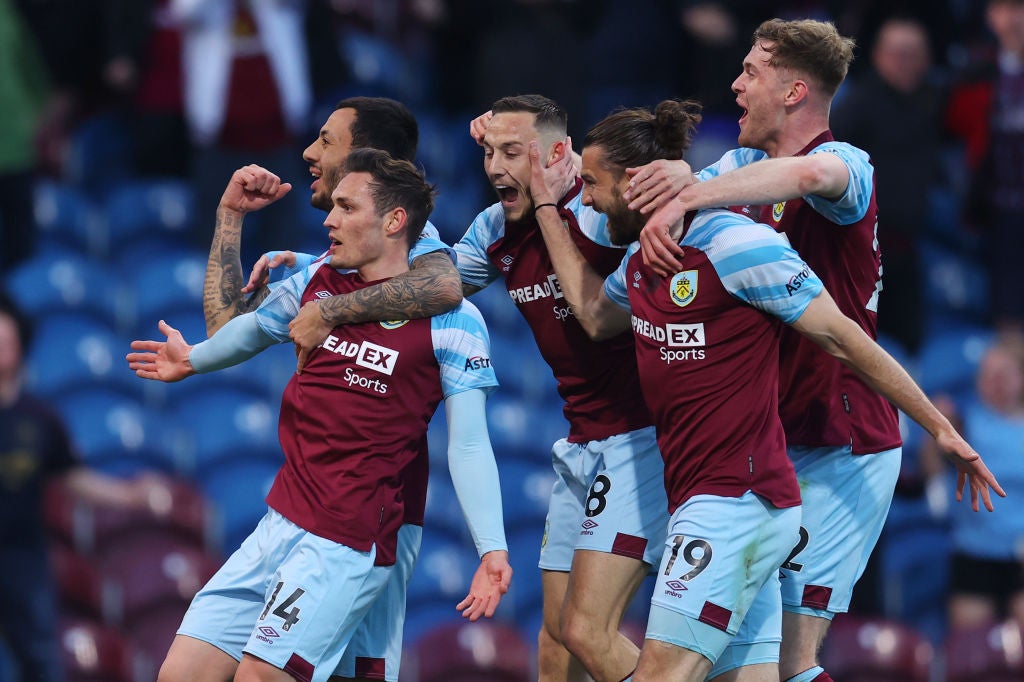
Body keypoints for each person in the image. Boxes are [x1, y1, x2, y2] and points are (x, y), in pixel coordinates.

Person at [525, 98, 1004, 682]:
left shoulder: (740, 244)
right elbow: (596, 317)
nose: (590, 203)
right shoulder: (640, 262)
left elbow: (845, 338)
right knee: (775, 675)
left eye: (595, 187)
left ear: (634, 184)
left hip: (736, 500)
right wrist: (547, 206)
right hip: (712, 498)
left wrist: (940, 428)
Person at [254, 94, 668, 682]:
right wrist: (325, 271)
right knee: (555, 645)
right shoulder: (494, 229)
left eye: (512, 153)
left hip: (641, 436)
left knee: (586, 632)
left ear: (558, 155)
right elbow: (428, 283)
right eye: (489, 152)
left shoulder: (603, 210)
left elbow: (604, 310)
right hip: (583, 442)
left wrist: (560, 184)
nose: (497, 167)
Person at [126, 148, 512, 682]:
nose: (328, 219)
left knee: (260, 677)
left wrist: (492, 549)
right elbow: (253, 328)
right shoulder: (318, 281)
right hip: (279, 521)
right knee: (180, 674)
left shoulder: (455, 322)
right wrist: (194, 359)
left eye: (347, 207)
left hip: (344, 541)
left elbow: (468, 444)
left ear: (394, 220)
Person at [620, 18, 923, 682]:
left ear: (793, 92)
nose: (734, 84)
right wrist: (674, 179)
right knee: (742, 657)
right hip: (780, 440)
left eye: (751, 72)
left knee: (789, 660)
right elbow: (705, 176)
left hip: (844, 441)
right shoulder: (742, 168)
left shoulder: (847, 165)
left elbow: (811, 174)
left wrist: (690, 192)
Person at [203, 96, 467, 682]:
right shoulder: (335, 257)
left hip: (377, 511)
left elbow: (447, 286)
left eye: (327, 140)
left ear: (375, 160)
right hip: (310, 501)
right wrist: (230, 219)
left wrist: (331, 313)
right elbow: (225, 332)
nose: (308, 152)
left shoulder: (416, 248)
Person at [0, 290, 167, 682]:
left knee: (40, 656)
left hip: (22, 556)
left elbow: (71, 475)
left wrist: (128, 495)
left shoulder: (39, 418)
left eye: (6, 341)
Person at [920, 332, 1024, 631]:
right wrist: (937, 421)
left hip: (1019, 557)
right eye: (987, 374)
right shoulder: (965, 421)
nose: (995, 382)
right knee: (970, 652)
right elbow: (934, 453)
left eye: (1003, 373)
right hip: (974, 554)